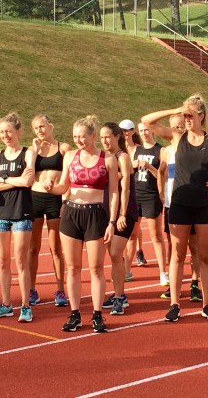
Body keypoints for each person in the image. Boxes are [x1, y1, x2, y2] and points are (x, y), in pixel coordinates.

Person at [143, 94, 208, 322]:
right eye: (183, 115)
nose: (185, 119)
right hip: (179, 204)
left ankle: (207, 304)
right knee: (178, 254)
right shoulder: (177, 137)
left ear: (201, 116)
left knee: (205, 255)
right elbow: (147, 121)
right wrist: (174, 109)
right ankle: (175, 304)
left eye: (189, 115)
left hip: (205, 205)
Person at [48, 115, 120, 333]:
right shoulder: (70, 156)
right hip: (71, 213)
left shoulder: (108, 159)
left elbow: (114, 192)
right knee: (73, 268)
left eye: (83, 136)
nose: (79, 140)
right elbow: (63, 186)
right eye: (75, 136)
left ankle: (97, 315)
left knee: (96, 268)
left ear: (93, 135)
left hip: (95, 214)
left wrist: (112, 221)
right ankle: (75, 313)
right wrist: (51, 187)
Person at [0, 113, 37, 322]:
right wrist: (15, 180)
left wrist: (2, 179)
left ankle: (25, 305)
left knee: (21, 261)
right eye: (2, 132)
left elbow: (28, 182)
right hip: (1, 213)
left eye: (9, 131)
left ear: (18, 131)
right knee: (3, 261)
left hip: (21, 212)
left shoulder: (28, 154)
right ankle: (6, 304)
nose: (5, 135)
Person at [156, 113, 204, 301]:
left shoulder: (195, 148)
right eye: (174, 126)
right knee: (174, 249)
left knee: (194, 247)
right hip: (172, 205)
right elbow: (161, 172)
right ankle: (175, 286)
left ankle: (194, 283)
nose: (177, 129)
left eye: (181, 126)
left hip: (191, 203)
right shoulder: (166, 151)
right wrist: (161, 192)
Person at [29, 114, 72, 307]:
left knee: (56, 248)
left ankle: (60, 289)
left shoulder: (64, 149)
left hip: (55, 199)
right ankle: (31, 289)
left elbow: (70, 177)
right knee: (33, 248)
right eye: (36, 128)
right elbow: (27, 174)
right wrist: (35, 151)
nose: (40, 130)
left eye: (42, 126)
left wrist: (65, 199)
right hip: (35, 198)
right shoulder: (32, 150)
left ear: (51, 126)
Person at [98, 121, 134, 315]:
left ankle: (120, 297)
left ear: (117, 137)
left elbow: (126, 187)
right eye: (101, 137)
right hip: (105, 211)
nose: (104, 140)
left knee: (114, 254)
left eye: (108, 137)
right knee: (112, 257)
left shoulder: (123, 158)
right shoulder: (103, 157)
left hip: (124, 212)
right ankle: (118, 293)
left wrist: (122, 214)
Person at [132, 121, 170, 289]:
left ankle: (163, 272)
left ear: (152, 131)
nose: (144, 133)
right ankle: (127, 271)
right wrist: (130, 166)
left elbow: (164, 175)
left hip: (151, 195)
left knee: (156, 236)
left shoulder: (160, 150)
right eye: (141, 130)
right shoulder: (135, 149)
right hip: (135, 194)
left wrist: (148, 166)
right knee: (132, 235)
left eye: (146, 130)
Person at [121, 119, 149, 268]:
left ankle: (136, 252)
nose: (125, 133)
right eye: (122, 130)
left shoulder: (140, 149)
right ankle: (134, 252)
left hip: (137, 189)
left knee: (134, 227)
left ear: (133, 131)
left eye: (127, 130)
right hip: (122, 189)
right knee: (128, 226)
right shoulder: (118, 149)